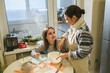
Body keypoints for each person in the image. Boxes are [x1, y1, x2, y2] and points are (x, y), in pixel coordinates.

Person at [57, 5, 93, 73]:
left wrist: (67, 55)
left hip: (80, 65)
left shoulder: (83, 32)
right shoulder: (75, 25)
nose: (66, 21)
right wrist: (62, 39)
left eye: (67, 19)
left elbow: (83, 52)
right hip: (73, 62)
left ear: (74, 17)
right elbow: (68, 31)